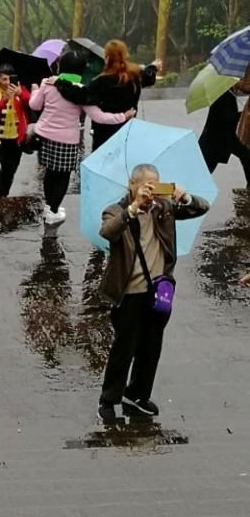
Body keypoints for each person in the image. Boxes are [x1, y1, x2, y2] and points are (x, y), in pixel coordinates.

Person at [96, 163, 208, 423]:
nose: (152, 191)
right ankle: (109, 398)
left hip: (159, 290)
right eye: (147, 185)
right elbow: (107, 231)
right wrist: (133, 209)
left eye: (156, 185)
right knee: (124, 346)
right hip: (129, 291)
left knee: (151, 345)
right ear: (132, 185)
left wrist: (185, 197)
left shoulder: (164, 208)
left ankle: (137, 394)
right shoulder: (116, 210)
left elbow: (201, 207)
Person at [29, 52, 132, 224]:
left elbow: (34, 105)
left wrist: (35, 91)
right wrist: (123, 116)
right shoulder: (81, 91)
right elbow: (99, 117)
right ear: (82, 70)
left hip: (45, 136)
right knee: (62, 176)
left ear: (61, 66)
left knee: (50, 172)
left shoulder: (47, 83)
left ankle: (49, 207)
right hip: (67, 140)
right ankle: (52, 212)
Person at [56, 40, 160, 150]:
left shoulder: (101, 82)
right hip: (128, 129)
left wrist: (60, 83)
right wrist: (153, 67)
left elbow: (81, 96)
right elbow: (148, 77)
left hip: (104, 133)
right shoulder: (134, 76)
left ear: (107, 58)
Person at [0, 65, 31, 197]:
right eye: (4, 79)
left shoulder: (21, 91)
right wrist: (4, 100)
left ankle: (3, 194)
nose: (8, 82)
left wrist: (20, 93)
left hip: (15, 139)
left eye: (10, 79)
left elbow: (31, 103)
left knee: (9, 171)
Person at [198, 67, 250, 185]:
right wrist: (242, 115)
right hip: (217, 139)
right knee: (205, 169)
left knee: (246, 157)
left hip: (225, 137)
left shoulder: (226, 90)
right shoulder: (223, 93)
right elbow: (226, 118)